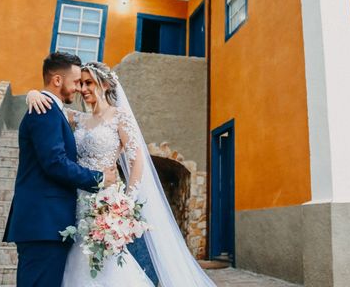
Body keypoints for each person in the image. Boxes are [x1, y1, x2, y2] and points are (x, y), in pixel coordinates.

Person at [27, 60, 217, 286]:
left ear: (106, 85)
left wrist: (126, 201)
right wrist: (32, 93)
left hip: (105, 203)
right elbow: (53, 106)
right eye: (81, 83)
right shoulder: (79, 119)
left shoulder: (120, 118)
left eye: (89, 83)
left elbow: (137, 162)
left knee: (105, 262)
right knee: (76, 258)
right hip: (76, 203)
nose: (83, 89)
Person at [3, 52, 118, 287]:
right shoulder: (45, 110)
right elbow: (55, 163)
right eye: (76, 82)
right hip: (43, 223)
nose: (78, 89)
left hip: (48, 223)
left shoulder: (51, 108)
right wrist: (99, 179)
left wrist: (32, 93)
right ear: (57, 80)